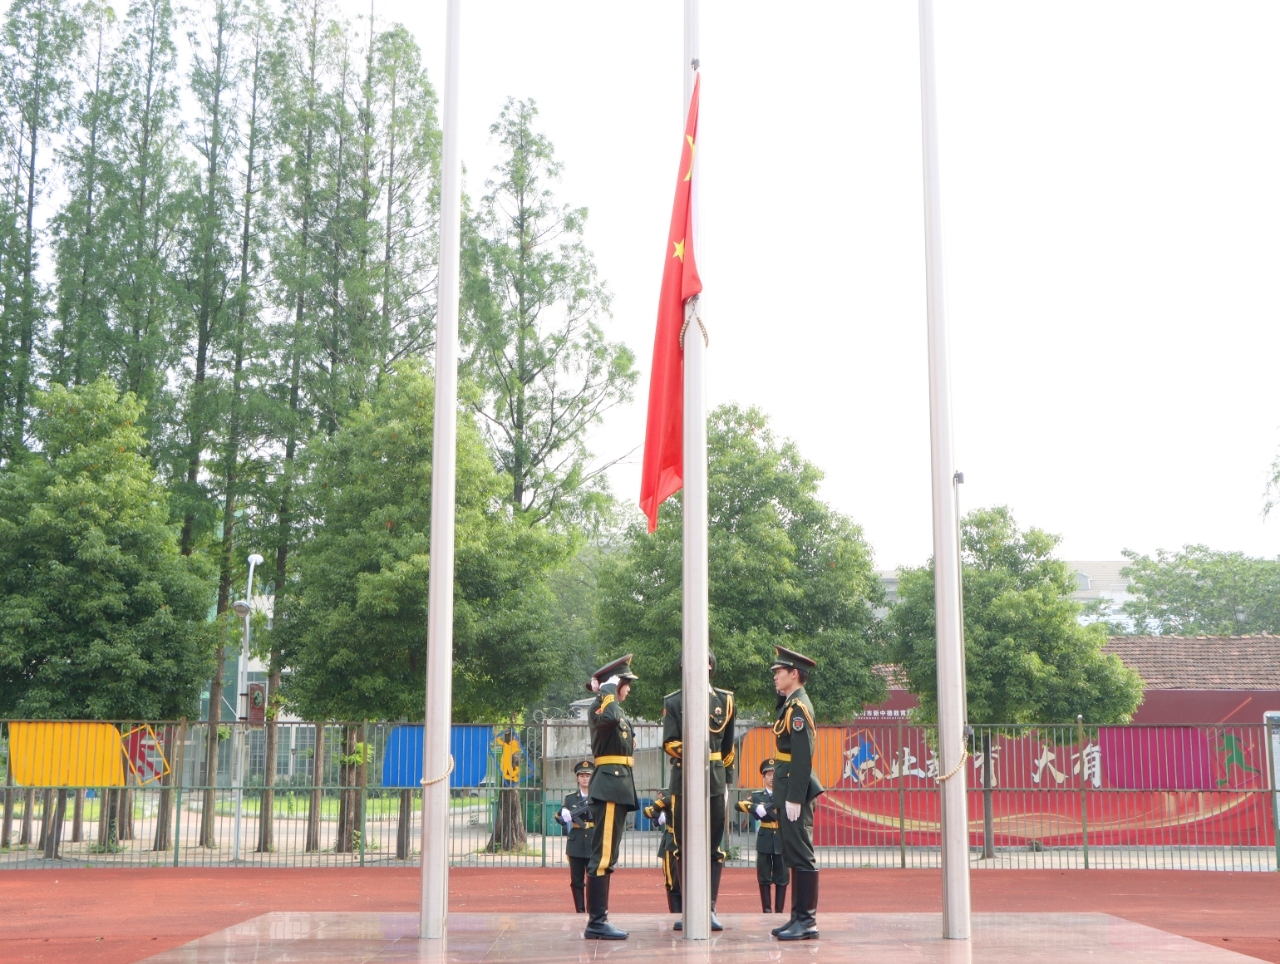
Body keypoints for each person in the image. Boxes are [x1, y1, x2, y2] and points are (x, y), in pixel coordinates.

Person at [662, 651, 736, 931]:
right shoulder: (674, 701)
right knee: (682, 844)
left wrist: (726, 781)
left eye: (702, 660)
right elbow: (669, 742)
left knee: (714, 846)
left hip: (715, 779)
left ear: (710, 665)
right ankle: (690, 909)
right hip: (684, 778)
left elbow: (728, 747)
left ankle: (710, 908)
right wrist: (695, 751)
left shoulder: (724, 700)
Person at [769, 645, 823, 941]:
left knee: (802, 854)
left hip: (794, 790)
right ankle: (797, 917)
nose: (775, 676)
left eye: (779, 671)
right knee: (793, 852)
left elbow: (802, 757)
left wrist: (794, 796)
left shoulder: (799, 708)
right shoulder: (790, 704)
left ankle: (807, 921)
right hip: (788, 787)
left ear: (794, 674)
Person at [584, 654, 639, 940]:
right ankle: (596, 922)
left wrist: (609, 694)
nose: (628, 689)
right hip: (607, 787)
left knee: (609, 854)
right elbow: (610, 718)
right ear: (615, 684)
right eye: (625, 683)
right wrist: (606, 691)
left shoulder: (612, 708)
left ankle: (600, 920)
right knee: (603, 855)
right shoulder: (600, 707)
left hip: (617, 787)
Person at [736, 758, 787, 914]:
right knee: (764, 876)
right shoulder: (758, 796)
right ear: (764, 777)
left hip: (781, 838)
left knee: (782, 877)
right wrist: (756, 808)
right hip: (765, 838)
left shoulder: (786, 794)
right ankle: (767, 911)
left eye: (774, 774)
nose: (771, 777)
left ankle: (779, 911)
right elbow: (739, 804)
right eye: (768, 774)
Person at [558, 759, 595, 913]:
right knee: (577, 880)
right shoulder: (570, 798)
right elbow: (559, 817)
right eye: (582, 776)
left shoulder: (598, 797)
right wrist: (563, 813)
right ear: (577, 778)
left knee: (595, 879)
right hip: (576, 842)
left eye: (588, 775)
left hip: (594, 841)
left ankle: (594, 911)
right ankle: (579, 910)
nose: (585, 779)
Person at [642, 792, 680, 913]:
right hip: (672, 843)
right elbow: (648, 811)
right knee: (672, 882)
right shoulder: (668, 794)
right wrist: (659, 814)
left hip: (693, 843)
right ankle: (676, 915)